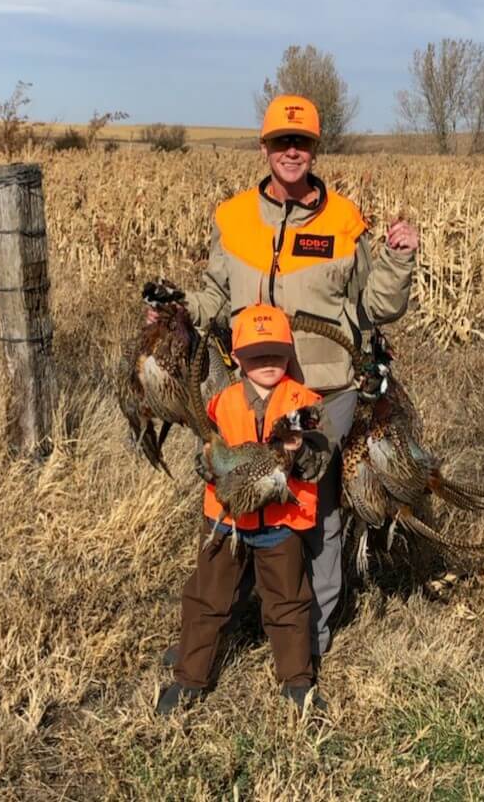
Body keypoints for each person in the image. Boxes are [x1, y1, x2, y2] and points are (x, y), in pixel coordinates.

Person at [156, 94, 419, 668]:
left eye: (301, 143)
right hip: (248, 387)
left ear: (315, 149)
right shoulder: (234, 218)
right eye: (281, 142)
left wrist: (399, 260)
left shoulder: (344, 221)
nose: (291, 152)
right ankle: (234, 620)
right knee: (240, 503)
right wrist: (178, 313)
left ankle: (313, 633)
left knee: (316, 507)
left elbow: (374, 307)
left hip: (327, 390)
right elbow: (213, 298)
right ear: (266, 147)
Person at [156, 304, 330, 715]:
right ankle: (190, 678)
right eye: (256, 354)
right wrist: (213, 465)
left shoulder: (303, 404)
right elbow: (205, 458)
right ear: (237, 358)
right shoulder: (222, 402)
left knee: (288, 602)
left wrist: (299, 450)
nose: (267, 362)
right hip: (226, 521)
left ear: (289, 353)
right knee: (207, 598)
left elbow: (318, 463)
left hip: (281, 526)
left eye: (275, 352)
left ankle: (297, 683)